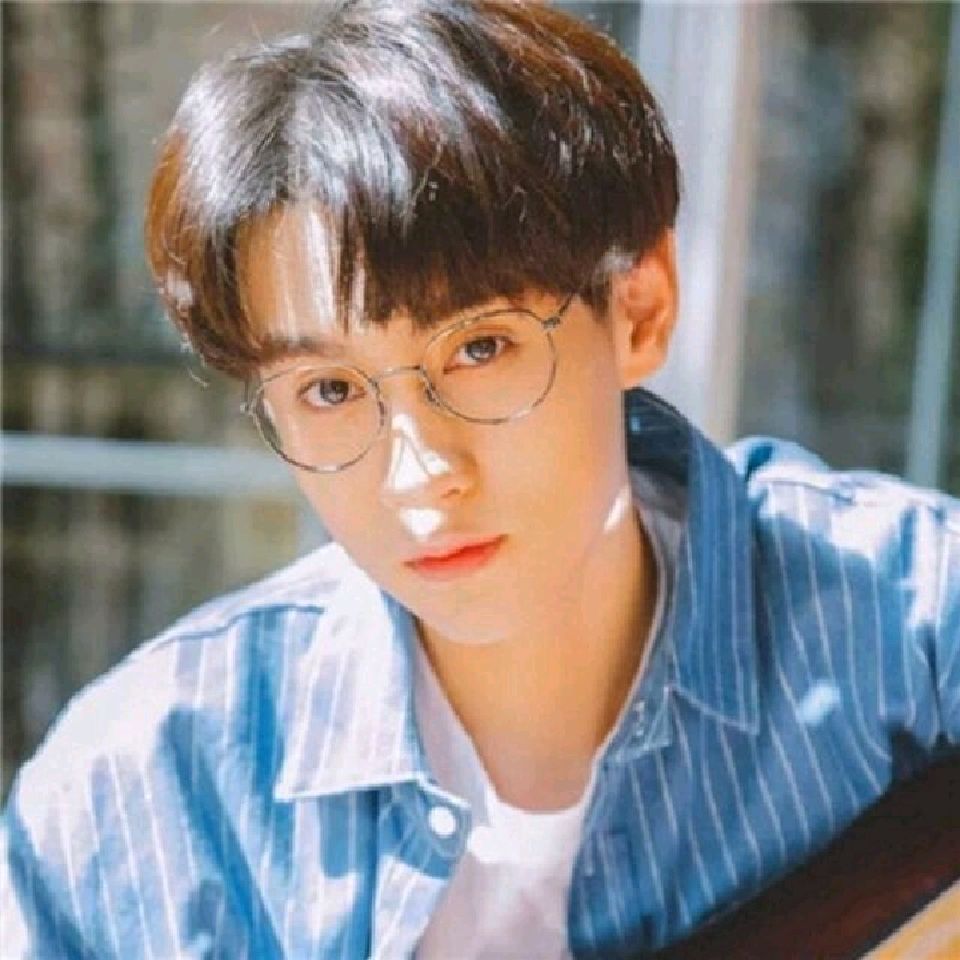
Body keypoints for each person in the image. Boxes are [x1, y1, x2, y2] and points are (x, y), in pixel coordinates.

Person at [2, 1, 958, 957]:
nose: (422, 475)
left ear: (639, 309)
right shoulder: (134, 801)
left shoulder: (922, 637)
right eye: (330, 390)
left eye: (481, 348)